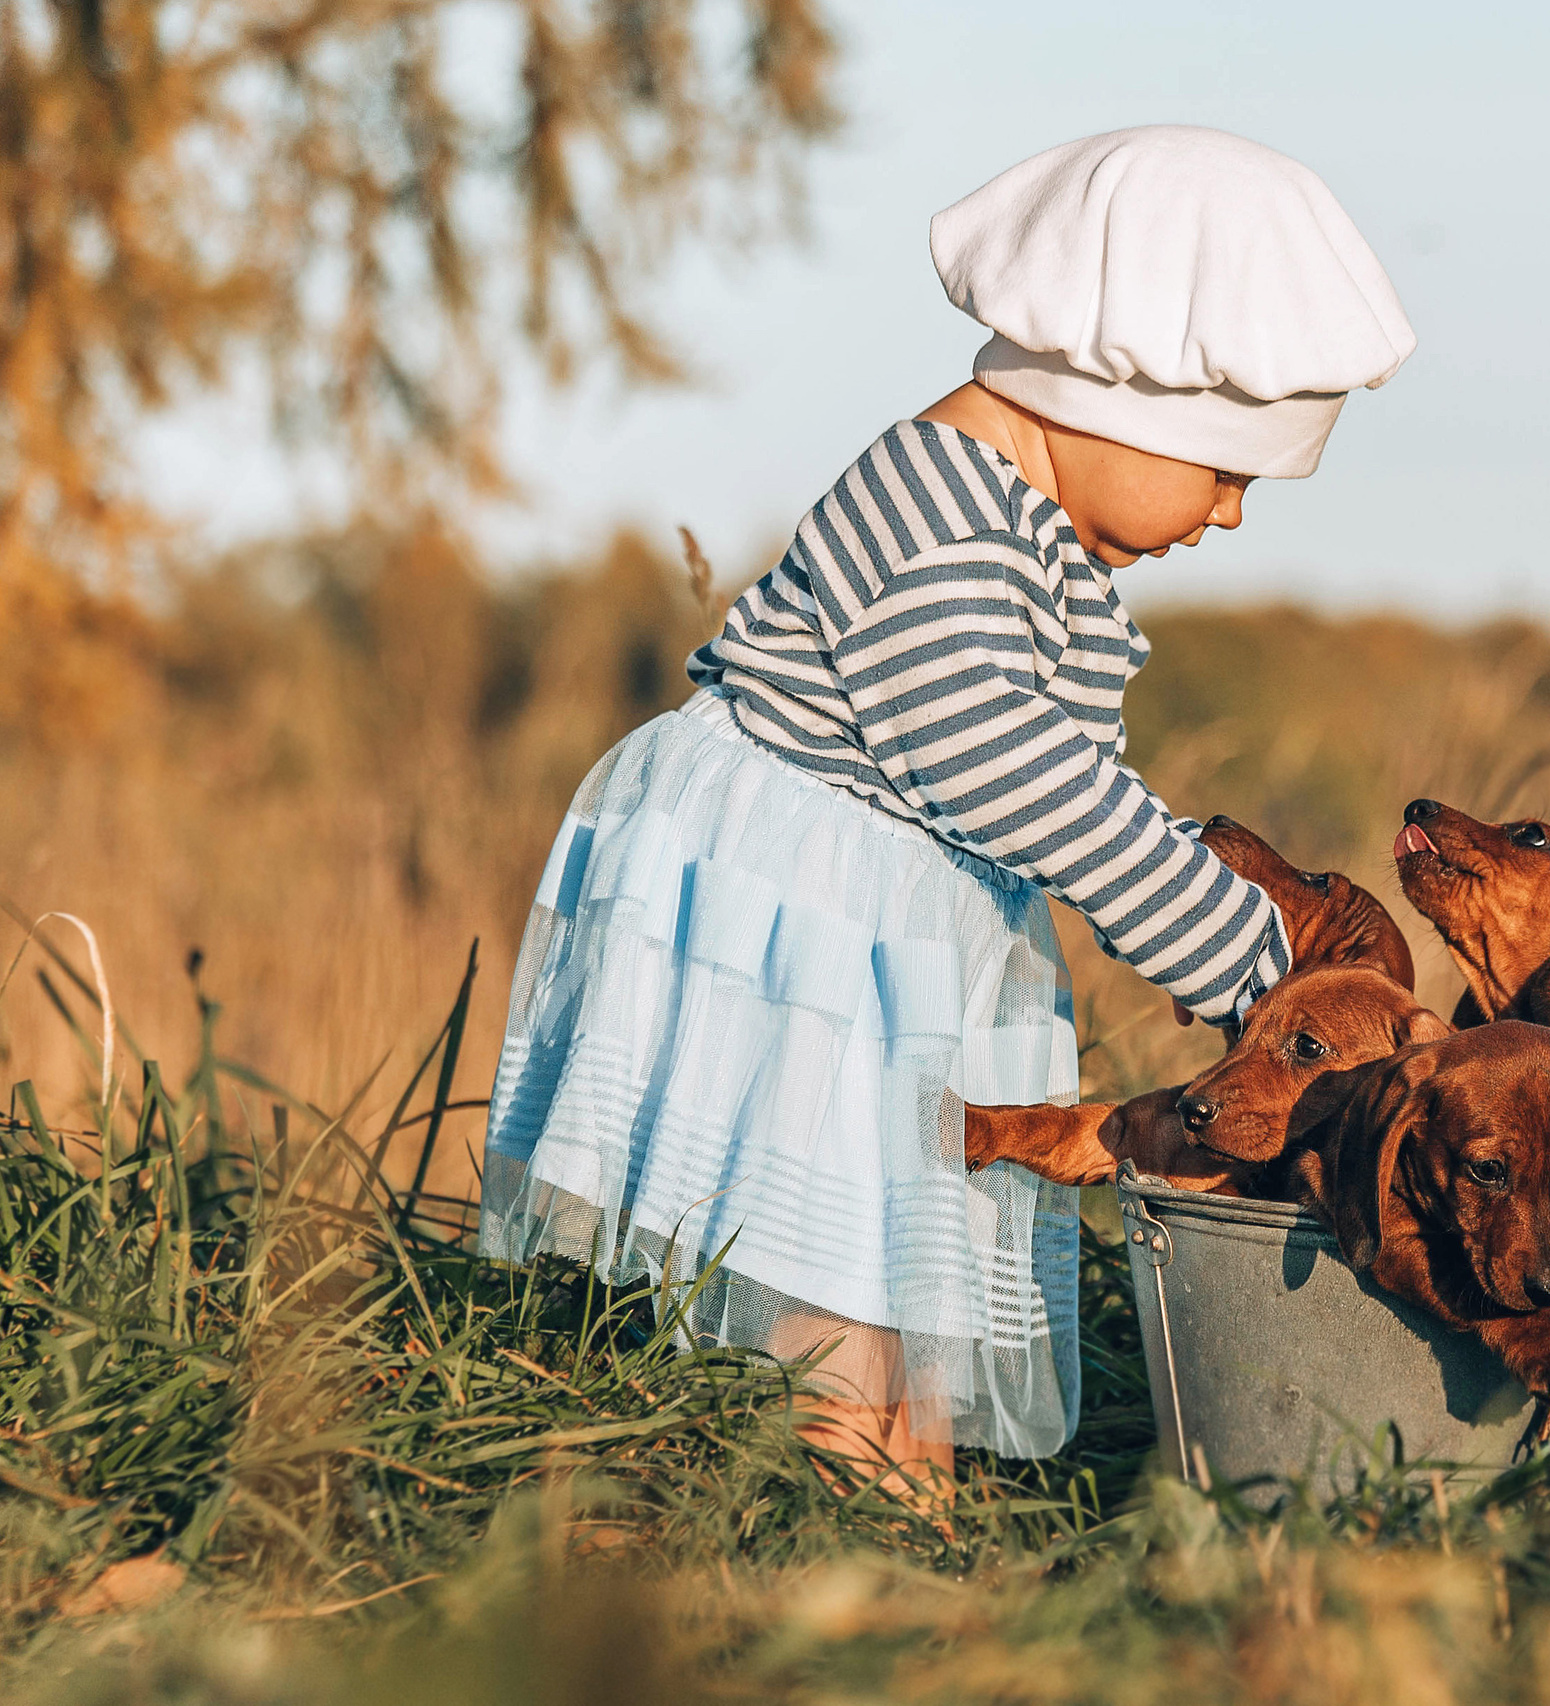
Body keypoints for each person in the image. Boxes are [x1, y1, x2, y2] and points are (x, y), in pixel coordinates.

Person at [476, 126, 1415, 1494]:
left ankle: (896, 1483)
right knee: (839, 1249)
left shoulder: (1012, 517)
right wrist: (1242, 954)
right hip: (804, 900)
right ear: (1116, 392)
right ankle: (850, 1498)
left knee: (894, 1239)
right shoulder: (933, 516)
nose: (1224, 517)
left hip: (882, 910)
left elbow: (1040, 763)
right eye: (1224, 472)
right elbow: (1016, 772)